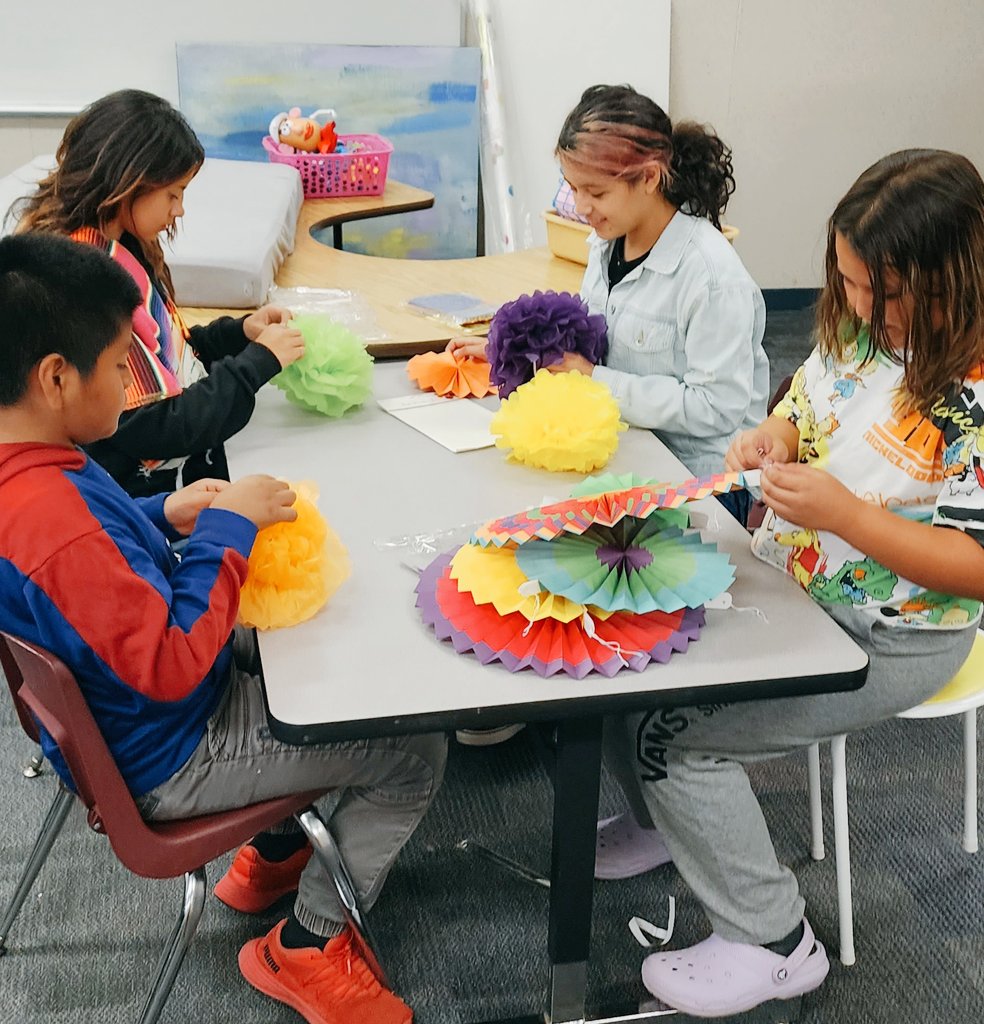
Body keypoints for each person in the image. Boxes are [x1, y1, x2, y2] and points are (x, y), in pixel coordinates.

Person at [0, 232, 445, 1024]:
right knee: (414, 749)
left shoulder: (30, 469)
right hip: (168, 750)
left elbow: (88, 558)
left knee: (304, 642)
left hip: (128, 714)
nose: (132, 382)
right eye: (120, 366)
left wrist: (160, 512)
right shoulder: (53, 526)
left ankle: (273, 854)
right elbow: (168, 662)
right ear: (56, 378)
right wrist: (225, 534)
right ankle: (306, 947)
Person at [600, 149, 984, 1017]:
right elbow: (806, 405)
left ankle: (776, 942)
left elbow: (976, 568)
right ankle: (673, 824)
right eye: (845, 281)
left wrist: (845, 515)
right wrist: (771, 435)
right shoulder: (860, 328)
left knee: (673, 734)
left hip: (895, 636)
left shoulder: (976, 392)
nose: (856, 305)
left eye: (877, 291)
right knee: (632, 656)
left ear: (949, 279)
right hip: (797, 584)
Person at [450, 84, 769, 524]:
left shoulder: (712, 278)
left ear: (650, 178)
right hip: (627, 454)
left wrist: (595, 379)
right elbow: (588, 337)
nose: (581, 207)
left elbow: (715, 408)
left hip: (699, 486)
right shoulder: (607, 243)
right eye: (572, 188)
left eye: (596, 193)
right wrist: (507, 353)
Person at [15, 89, 305, 498]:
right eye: (174, 193)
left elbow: (169, 354)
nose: (180, 209)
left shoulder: (121, 246)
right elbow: (159, 425)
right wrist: (258, 364)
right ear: (128, 182)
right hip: (145, 504)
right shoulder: (85, 285)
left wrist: (239, 334)